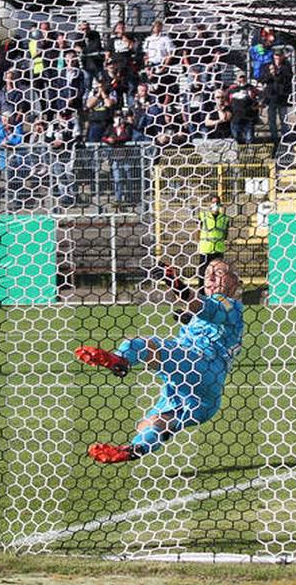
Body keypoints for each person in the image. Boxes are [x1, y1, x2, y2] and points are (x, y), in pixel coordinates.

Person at [75, 260, 244, 463]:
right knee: (152, 422)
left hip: (200, 365)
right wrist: (188, 318)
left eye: (219, 273)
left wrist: (174, 282)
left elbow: (202, 306)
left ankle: (119, 360)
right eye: (208, 272)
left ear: (234, 281)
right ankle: (132, 450)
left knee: (143, 345)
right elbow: (202, 313)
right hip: (204, 399)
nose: (211, 277)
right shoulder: (219, 310)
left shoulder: (228, 303)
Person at [260, 51, 294, 150]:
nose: (277, 57)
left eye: (279, 55)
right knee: (272, 120)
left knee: (284, 118)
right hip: (271, 98)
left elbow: (288, 79)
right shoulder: (267, 66)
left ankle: (285, 137)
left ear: (282, 56)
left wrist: (277, 74)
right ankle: (274, 138)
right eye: (276, 55)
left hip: (282, 97)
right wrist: (271, 74)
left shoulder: (286, 67)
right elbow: (262, 79)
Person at [197, 194, 229, 273]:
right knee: (203, 271)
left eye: (217, 202)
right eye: (213, 202)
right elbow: (198, 230)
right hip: (205, 249)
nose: (215, 205)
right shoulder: (203, 216)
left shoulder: (225, 218)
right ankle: (202, 285)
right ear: (209, 204)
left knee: (218, 271)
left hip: (218, 249)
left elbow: (226, 233)